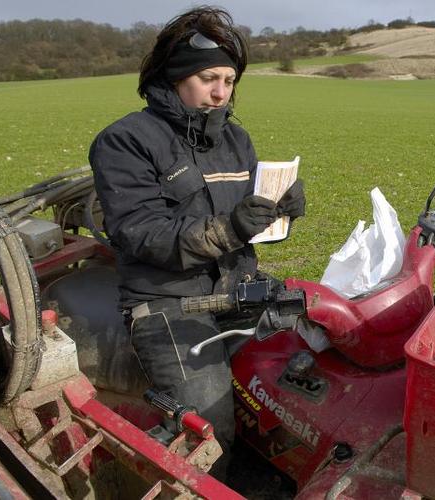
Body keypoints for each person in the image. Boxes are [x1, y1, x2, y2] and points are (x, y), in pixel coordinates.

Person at [88, 6, 305, 478]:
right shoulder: (125, 141)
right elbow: (142, 233)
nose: (221, 92)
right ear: (176, 75)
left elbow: (248, 216)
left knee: (308, 379)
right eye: (209, 77)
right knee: (210, 433)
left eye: (229, 80)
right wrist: (232, 228)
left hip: (237, 289)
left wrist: (278, 208)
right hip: (168, 303)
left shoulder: (235, 138)